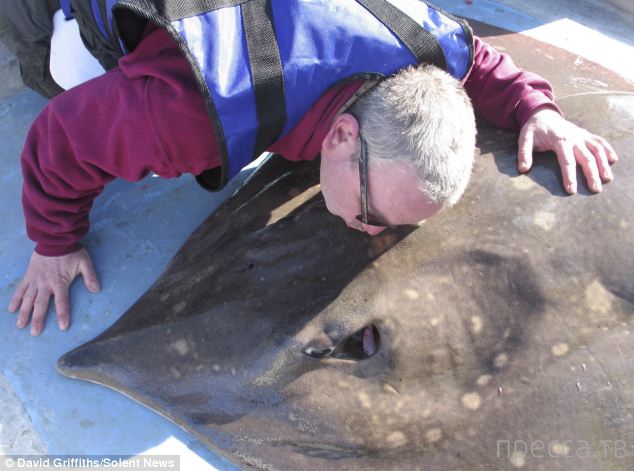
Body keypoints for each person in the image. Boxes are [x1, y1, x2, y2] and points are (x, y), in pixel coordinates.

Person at [5, 1, 618, 336]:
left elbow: (476, 61)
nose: (373, 231)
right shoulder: (183, 119)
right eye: (373, 213)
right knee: (57, 69)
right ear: (342, 135)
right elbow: (60, 139)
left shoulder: (422, 49)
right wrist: (55, 243)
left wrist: (535, 107)